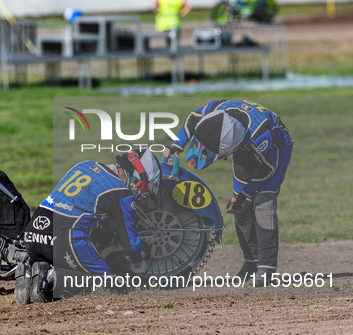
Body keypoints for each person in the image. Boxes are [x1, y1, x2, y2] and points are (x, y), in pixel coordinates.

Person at [163, 100, 294, 287]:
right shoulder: (216, 109)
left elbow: (268, 169)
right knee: (240, 209)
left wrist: (243, 194)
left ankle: (266, 268)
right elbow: (193, 118)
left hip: (274, 153)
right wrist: (176, 145)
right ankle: (251, 262)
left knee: (263, 203)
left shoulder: (260, 136)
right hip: (244, 148)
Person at [15, 149, 161, 304]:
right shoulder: (121, 193)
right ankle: (50, 277)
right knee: (110, 284)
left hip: (32, 234)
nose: (139, 193)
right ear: (138, 175)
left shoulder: (85, 165)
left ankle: (32, 272)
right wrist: (143, 254)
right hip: (63, 237)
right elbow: (131, 245)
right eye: (144, 187)